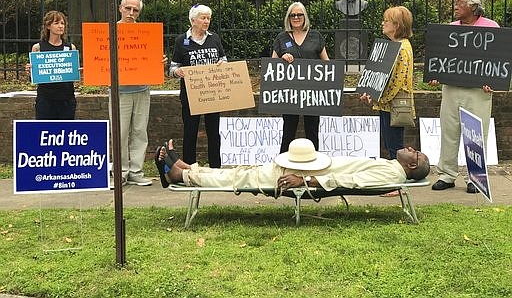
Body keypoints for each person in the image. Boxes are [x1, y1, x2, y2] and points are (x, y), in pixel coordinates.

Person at [154, 138, 431, 190]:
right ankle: (188, 169)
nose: (410, 148)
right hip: (308, 166)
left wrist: (307, 182)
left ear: (411, 168)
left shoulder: (388, 173)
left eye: (415, 153)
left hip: (307, 175)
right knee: (245, 172)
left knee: (241, 178)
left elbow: (349, 181)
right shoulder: (389, 166)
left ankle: (184, 176)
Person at [430, 0, 499, 194]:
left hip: (478, 91)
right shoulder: (450, 29)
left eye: (459, 3)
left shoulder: (491, 27)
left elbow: (498, 61)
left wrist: (493, 80)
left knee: (475, 133)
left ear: (473, 6)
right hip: (451, 88)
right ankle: (447, 174)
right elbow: (441, 58)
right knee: (449, 131)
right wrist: (436, 73)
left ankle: (475, 177)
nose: (455, 7)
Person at [112, 0, 166, 186]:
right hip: (120, 91)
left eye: (135, 10)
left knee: (139, 131)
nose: (131, 13)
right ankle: (120, 173)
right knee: (120, 132)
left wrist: (160, 61)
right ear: (120, 8)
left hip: (142, 89)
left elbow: (152, 57)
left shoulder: (145, 33)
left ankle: (136, 171)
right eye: (128, 8)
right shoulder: (110, 31)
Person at [170, 4, 227, 168]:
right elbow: (172, 68)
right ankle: (190, 167)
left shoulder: (214, 38)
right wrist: (178, 71)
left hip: (213, 93)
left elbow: (223, 59)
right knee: (190, 131)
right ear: (193, 20)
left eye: (208, 18)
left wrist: (222, 65)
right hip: (190, 95)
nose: (206, 21)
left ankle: (215, 167)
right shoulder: (182, 41)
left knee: (213, 132)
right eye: (203, 18)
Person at [271, 2, 329, 153]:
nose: (296, 17)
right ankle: (284, 167)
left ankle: (313, 165)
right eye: (293, 15)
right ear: (288, 18)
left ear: (305, 17)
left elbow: (327, 63)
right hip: (289, 93)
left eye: (299, 14)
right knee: (288, 131)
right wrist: (283, 57)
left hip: (312, 93)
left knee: (312, 131)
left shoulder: (316, 36)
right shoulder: (281, 38)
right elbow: (272, 65)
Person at [360, 6, 415, 160]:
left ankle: (398, 176)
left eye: (386, 21)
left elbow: (397, 81)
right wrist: (371, 91)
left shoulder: (402, 48)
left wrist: (378, 97)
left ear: (397, 25)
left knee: (395, 147)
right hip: (387, 104)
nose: (382, 24)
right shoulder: (393, 45)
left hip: (394, 106)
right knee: (390, 144)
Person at [26, 11, 77, 119]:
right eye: (56, 23)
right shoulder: (38, 48)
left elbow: (72, 73)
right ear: (48, 26)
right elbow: (34, 78)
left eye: (62, 23)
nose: (60, 26)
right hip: (46, 98)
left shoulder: (70, 47)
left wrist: (77, 71)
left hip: (66, 99)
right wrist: (30, 71)